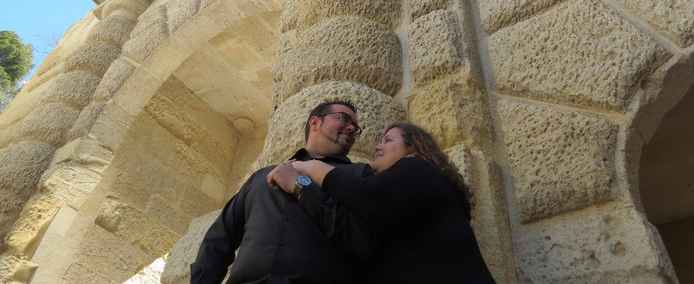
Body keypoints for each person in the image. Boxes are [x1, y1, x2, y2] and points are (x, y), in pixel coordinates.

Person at [282, 122, 496, 284]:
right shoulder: (408, 199)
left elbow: (365, 195)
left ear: (414, 148)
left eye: (387, 140)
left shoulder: (417, 169)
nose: (377, 146)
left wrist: (308, 168)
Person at [190, 101, 371, 284]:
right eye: (344, 118)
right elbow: (218, 240)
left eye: (355, 127)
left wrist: (301, 185)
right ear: (315, 123)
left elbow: (359, 237)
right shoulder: (261, 176)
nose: (350, 128)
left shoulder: (360, 175)